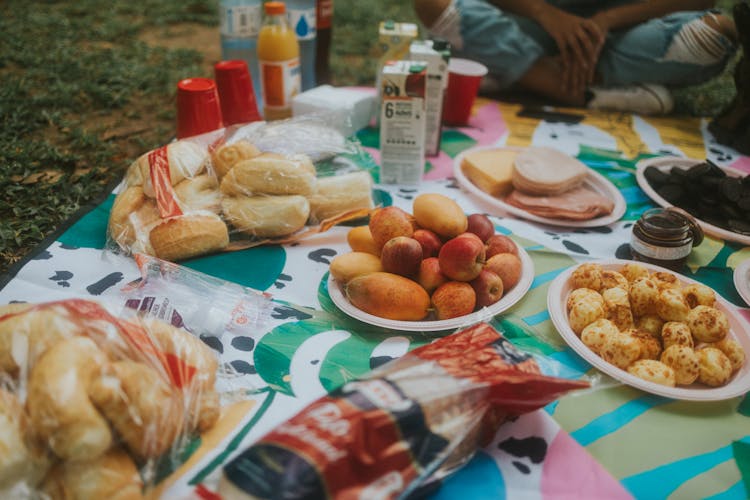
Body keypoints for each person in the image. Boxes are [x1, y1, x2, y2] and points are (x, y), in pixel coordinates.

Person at [414, 0, 739, 114]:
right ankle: (582, 92)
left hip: (621, 37)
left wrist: (607, 21)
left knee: (714, 34)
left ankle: (527, 76)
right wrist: (544, 12)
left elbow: (698, 1)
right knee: (435, 4)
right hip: (530, 25)